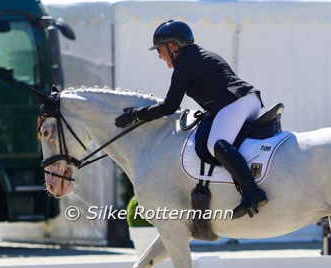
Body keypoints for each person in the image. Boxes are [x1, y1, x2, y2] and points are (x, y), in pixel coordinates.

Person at [114, 20, 268, 219]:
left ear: (172, 46)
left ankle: (252, 192)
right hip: (248, 101)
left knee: (216, 144)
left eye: (159, 50)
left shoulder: (185, 63)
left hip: (237, 103)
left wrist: (136, 115)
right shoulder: (198, 55)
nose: (159, 56)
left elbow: (169, 106)